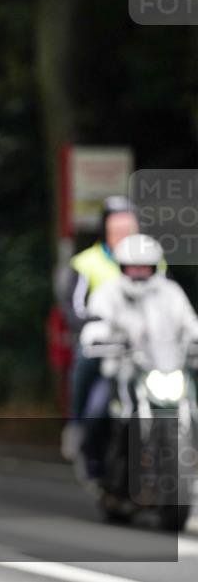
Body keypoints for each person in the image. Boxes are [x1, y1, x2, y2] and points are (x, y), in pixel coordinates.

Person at [79, 234, 198, 479]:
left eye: (144, 267)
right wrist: (98, 337)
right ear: (122, 267)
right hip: (121, 371)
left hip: (165, 369)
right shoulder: (107, 293)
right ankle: (96, 468)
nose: (138, 272)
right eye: (133, 266)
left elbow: (190, 321)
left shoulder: (170, 292)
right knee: (96, 412)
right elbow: (95, 323)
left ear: (154, 267)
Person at [58, 196, 140, 459]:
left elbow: (170, 299)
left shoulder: (151, 261)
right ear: (105, 230)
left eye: (129, 229)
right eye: (117, 230)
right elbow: (74, 308)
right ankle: (76, 424)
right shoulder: (86, 262)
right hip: (103, 346)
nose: (123, 236)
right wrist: (95, 326)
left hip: (144, 347)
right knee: (84, 363)